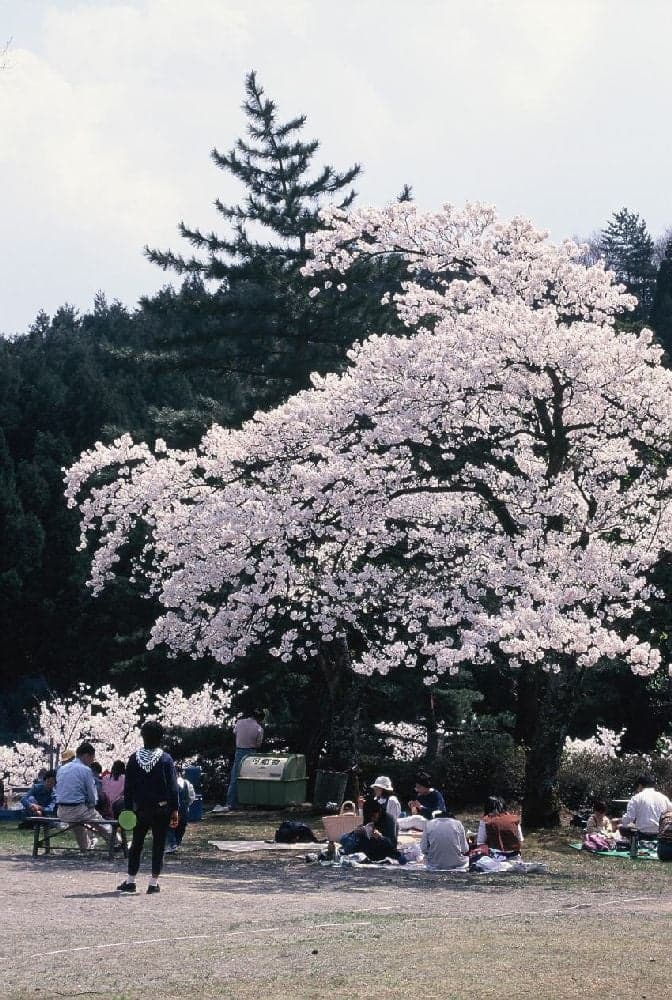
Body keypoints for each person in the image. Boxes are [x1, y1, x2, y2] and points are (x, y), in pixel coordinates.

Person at [117, 720, 179, 895]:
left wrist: (128, 809)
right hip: (162, 808)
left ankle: (130, 880)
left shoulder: (134, 758)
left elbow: (128, 787)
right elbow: (173, 787)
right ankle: (153, 883)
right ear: (161, 738)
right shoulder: (165, 759)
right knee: (159, 844)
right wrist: (175, 809)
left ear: (142, 736)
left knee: (136, 844)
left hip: (141, 809)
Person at [54, 742, 111, 852]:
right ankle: (118, 842)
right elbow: (92, 795)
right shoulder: (85, 770)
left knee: (78, 825)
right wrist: (92, 804)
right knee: (101, 823)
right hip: (77, 810)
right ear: (86, 756)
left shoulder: (62, 769)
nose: (91, 762)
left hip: (61, 810)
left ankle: (85, 848)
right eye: (92, 759)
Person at [223, 708, 265, 811]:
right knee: (251, 777)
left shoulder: (239, 722)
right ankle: (249, 801)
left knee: (235, 778)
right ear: (260, 719)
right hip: (251, 752)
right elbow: (258, 744)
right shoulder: (259, 728)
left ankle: (231, 802)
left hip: (239, 751)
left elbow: (235, 733)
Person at [618, 774, 672, 839]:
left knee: (622, 828)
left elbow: (629, 818)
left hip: (642, 835)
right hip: (661, 835)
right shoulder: (664, 798)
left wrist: (620, 822)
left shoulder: (636, 798)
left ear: (640, 785)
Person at [165, 765, 196, 853]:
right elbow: (191, 796)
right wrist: (187, 804)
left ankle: (173, 844)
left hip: (174, 807)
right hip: (184, 807)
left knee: (172, 826)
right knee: (180, 826)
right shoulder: (186, 783)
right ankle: (176, 843)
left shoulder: (170, 783)